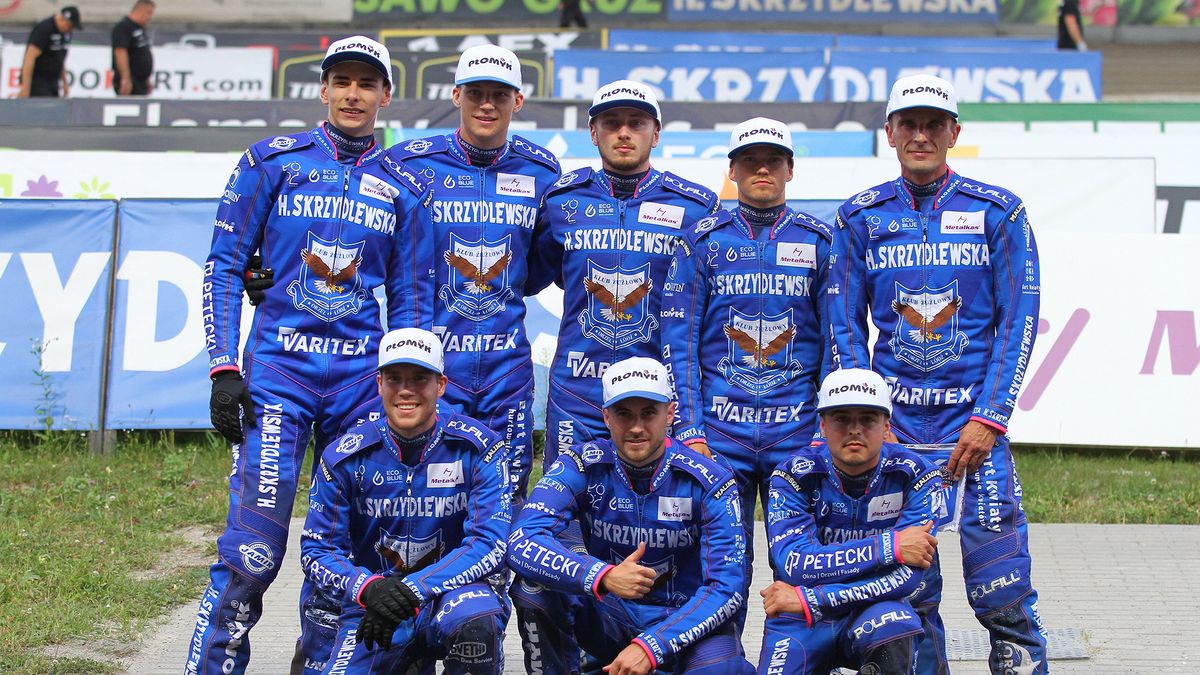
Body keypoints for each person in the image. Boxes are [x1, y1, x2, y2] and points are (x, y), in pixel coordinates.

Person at [187, 36, 435, 675]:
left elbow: (411, 300)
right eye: (341, 81)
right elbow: (223, 265)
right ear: (323, 89)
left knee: (352, 552)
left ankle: (325, 665)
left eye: (366, 83)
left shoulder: (405, 187)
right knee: (253, 554)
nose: (353, 94)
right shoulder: (272, 161)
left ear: (386, 95)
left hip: (360, 388)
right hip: (280, 376)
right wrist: (223, 369)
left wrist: (410, 389)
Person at [828, 73, 1047, 674]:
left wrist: (990, 418)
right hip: (895, 435)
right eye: (909, 124)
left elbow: (1019, 319)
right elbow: (844, 326)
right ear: (890, 132)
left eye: (933, 125)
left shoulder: (998, 211)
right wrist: (870, 420)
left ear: (954, 132)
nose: (921, 135)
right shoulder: (860, 217)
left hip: (972, 431)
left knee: (1002, 588)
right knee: (907, 592)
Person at [520, 80, 718, 671]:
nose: (624, 133)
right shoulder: (561, 200)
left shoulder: (696, 206)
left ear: (656, 132)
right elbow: (525, 279)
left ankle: (662, 647)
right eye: (612, 123)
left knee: (660, 535)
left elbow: (707, 311)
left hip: (651, 405)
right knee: (568, 546)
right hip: (579, 398)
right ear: (593, 132)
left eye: (636, 123)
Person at [659, 116, 833, 643]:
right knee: (720, 572)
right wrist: (689, 430)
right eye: (750, 160)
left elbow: (838, 342)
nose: (762, 169)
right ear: (731, 170)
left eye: (773, 160)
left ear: (790, 170)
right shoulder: (701, 241)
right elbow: (679, 344)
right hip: (720, 438)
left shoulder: (820, 241)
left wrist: (825, 429)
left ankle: (794, 660)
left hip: (796, 436)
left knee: (801, 569)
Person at [385, 44, 561, 501]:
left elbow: (539, 268)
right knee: (431, 490)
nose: (487, 105)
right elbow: (362, 234)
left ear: (517, 101)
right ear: (456, 95)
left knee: (509, 489)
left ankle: (502, 552)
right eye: (476, 93)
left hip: (506, 365)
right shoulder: (408, 163)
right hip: (432, 361)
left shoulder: (542, 170)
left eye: (499, 95)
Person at [508, 357, 751, 675]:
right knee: (533, 587)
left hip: (684, 621)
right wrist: (600, 576)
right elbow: (521, 540)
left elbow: (728, 587)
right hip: (611, 613)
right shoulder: (581, 464)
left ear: (670, 413)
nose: (636, 427)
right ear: (606, 417)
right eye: (624, 413)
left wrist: (653, 645)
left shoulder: (711, 478)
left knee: (723, 667)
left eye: (648, 413)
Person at [300, 328, 512, 674]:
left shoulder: (480, 448)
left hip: (453, 594)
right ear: (379, 384)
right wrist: (368, 588)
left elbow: (489, 544)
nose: (406, 390)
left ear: (440, 385)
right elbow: (317, 549)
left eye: (419, 379)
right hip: (376, 605)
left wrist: (415, 589)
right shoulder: (343, 456)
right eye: (394, 379)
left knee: (476, 621)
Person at [760, 368, 941, 674]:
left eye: (867, 419)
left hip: (867, 606)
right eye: (841, 419)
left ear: (886, 425)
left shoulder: (919, 474)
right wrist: (889, 547)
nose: (854, 430)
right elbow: (794, 564)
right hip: (802, 616)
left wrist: (812, 598)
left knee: (897, 627)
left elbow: (907, 578)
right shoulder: (791, 475)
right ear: (822, 424)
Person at [16, 5, 81, 98]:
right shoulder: (44, 29)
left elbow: (59, 59)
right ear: (62, 19)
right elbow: (29, 58)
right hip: (38, 83)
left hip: (53, 83)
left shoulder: (65, 33)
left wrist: (64, 83)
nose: (70, 30)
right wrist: (25, 88)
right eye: (70, 26)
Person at [112, 0, 156, 96]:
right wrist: (125, 78)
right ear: (140, 11)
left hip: (141, 81)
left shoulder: (139, 28)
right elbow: (120, 52)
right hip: (131, 80)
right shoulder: (123, 27)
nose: (150, 17)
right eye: (149, 13)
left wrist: (146, 79)